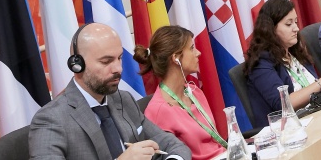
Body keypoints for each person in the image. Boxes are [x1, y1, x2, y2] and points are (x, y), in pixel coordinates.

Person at [29, 23, 190, 160]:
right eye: (106, 61)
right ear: (77, 65)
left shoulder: (123, 99)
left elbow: (173, 144)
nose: (118, 69)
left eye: (119, 58)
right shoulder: (51, 119)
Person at [244, 0, 321, 127]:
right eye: (289, 24)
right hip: (289, 130)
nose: (296, 28)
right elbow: (283, 104)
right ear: (270, 29)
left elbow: (316, 90)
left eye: (295, 22)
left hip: (316, 118)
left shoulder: (294, 52)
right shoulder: (261, 62)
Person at [133, 26, 225, 160]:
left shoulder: (195, 92)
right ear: (176, 58)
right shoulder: (157, 112)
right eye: (192, 48)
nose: (198, 53)